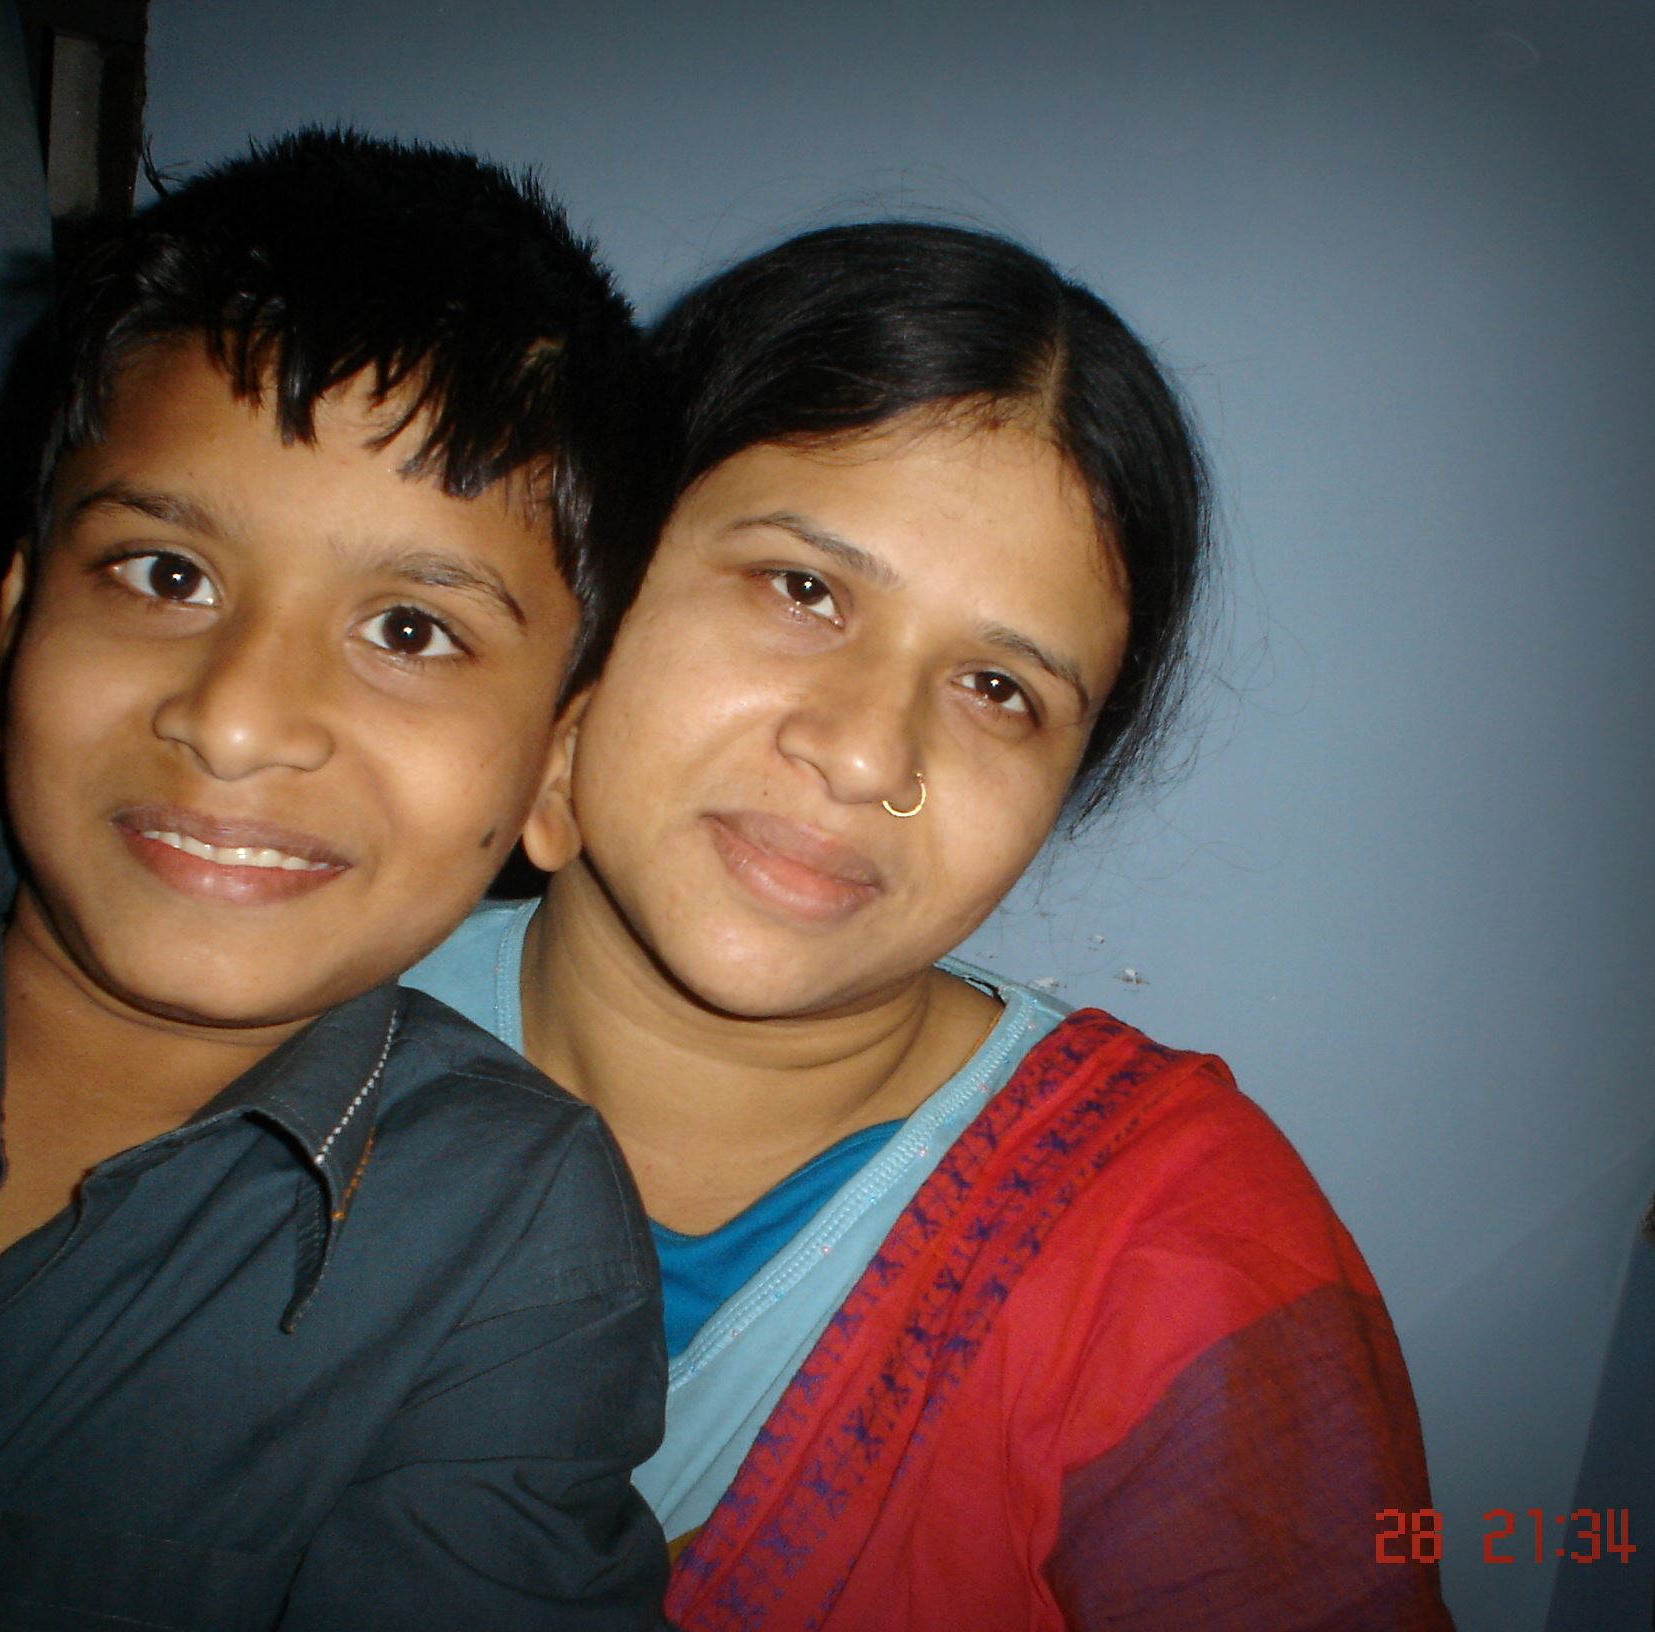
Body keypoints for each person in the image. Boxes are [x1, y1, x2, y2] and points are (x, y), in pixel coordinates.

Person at [406, 222, 1453, 1628]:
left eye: (998, 691)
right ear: (604, 571)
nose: (864, 754)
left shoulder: (1174, 1252)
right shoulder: (267, 1034)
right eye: (803, 589)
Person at [0, 128, 670, 1630]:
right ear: (11, 636)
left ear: (556, 770)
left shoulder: (512, 1248)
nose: (236, 718)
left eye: (409, 630)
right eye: (168, 574)